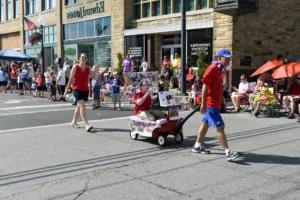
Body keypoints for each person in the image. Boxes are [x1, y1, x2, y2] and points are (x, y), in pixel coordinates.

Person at [192, 48, 241, 161]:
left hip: (215, 103)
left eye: (230, 58)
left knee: (205, 124)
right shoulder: (213, 68)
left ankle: (197, 146)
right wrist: (203, 104)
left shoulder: (221, 69)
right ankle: (228, 152)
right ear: (219, 58)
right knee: (220, 126)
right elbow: (205, 86)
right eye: (226, 58)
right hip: (210, 104)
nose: (228, 60)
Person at [64, 53, 93, 132]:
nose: (84, 59)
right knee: (82, 105)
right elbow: (70, 79)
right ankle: (87, 125)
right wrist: (66, 91)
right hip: (77, 89)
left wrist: (96, 70)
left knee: (79, 106)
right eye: (82, 57)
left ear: (86, 59)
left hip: (85, 89)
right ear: (79, 58)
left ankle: (74, 121)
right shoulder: (75, 67)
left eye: (85, 57)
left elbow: (93, 75)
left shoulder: (88, 68)